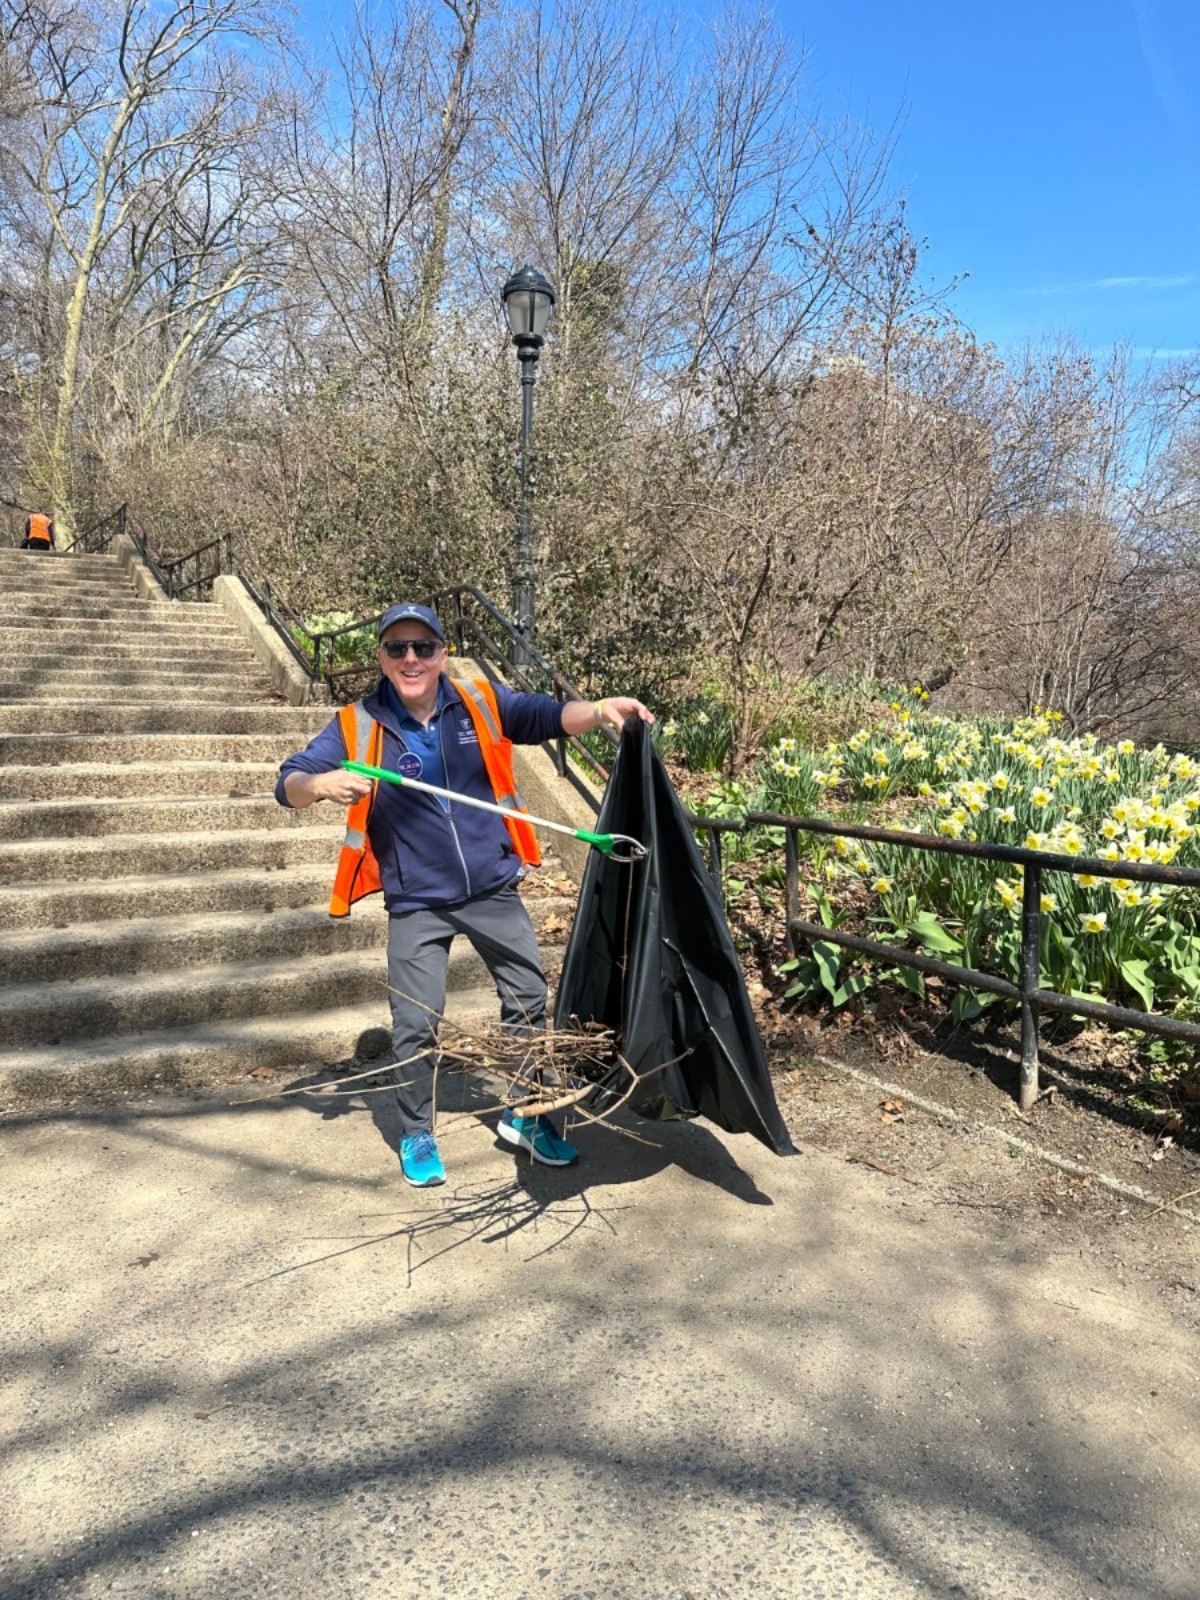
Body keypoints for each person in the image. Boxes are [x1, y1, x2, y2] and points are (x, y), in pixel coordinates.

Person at [276, 601, 653, 1187]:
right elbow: (289, 781)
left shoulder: (479, 700)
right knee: (416, 1022)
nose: (410, 658)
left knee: (528, 1000)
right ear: (379, 656)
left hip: (491, 885)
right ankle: (417, 1130)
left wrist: (602, 709)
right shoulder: (356, 723)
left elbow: (550, 716)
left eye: (423, 647)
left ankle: (524, 1116)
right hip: (416, 899)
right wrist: (319, 784)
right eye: (397, 648)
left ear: (442, 653)